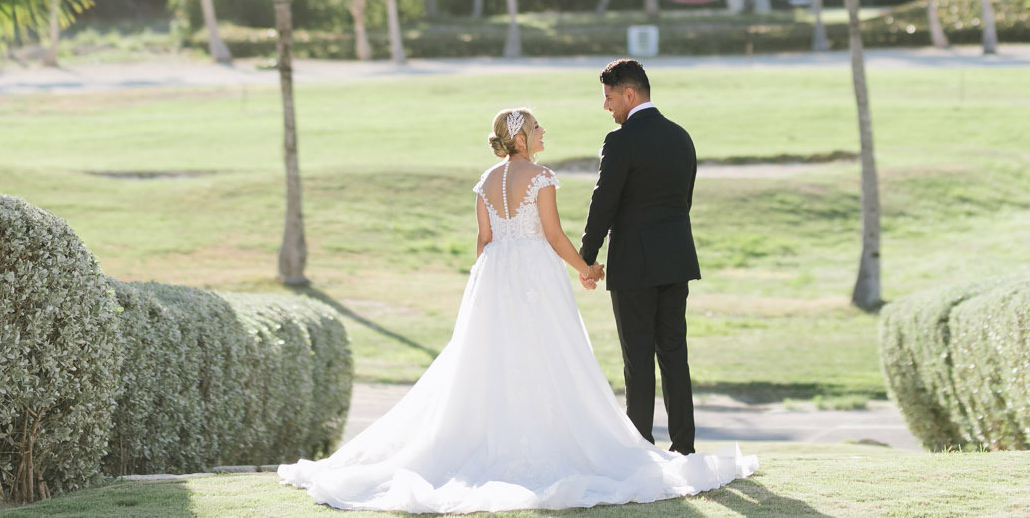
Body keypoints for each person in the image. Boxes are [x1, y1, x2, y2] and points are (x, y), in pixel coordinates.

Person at [277, 96, 754, 512]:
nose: (543, 132)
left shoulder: (485, 181)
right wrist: (585, 268)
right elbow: (552, 234)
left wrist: (487, 286)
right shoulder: (540, 177)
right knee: (550, 354)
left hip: (495, 277)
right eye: (537, 127)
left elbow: (483, 242)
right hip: (535, 274)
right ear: (522, 137)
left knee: (495, 358)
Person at [578, 58, 699, 454]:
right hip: (677, 259)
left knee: (638, 359)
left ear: (629, 94)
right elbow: (685, 202)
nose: (606, 107)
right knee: (674, 354)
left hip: (634, 265)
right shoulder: (682, 136)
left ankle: (641, 449)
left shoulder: (621, 141)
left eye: (609, 98)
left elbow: (604, 202)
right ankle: (683, 447)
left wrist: (587, 257)